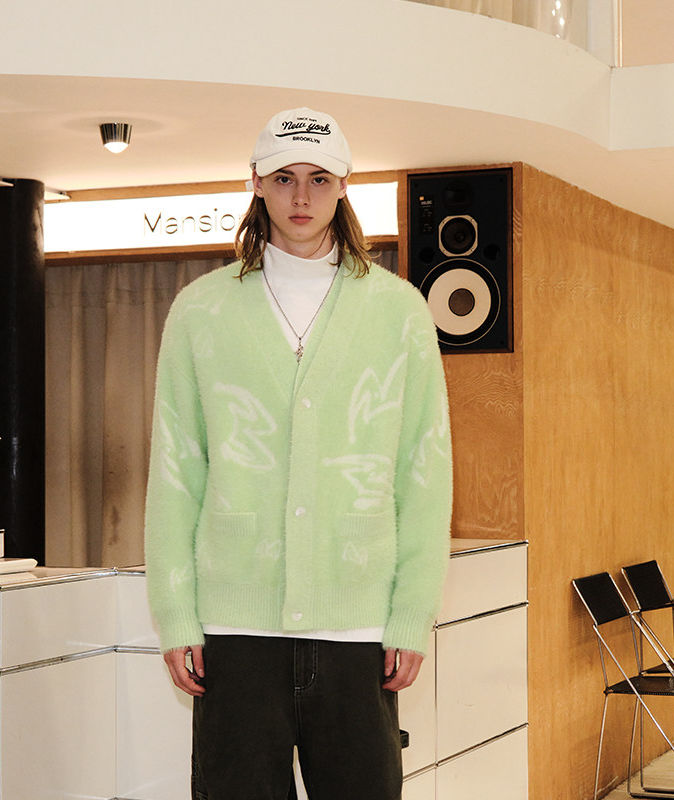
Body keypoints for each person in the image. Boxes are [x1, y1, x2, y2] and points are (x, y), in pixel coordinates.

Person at [144, 107, 453, 800]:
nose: (302, 197)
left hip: (359, 627)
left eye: (319, 178)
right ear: (256, 182)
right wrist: (176, 613)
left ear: (344, 186)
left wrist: (412, 613)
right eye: (284, 178)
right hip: (233, 629)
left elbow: (424, 471)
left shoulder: (399, 310)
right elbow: (176, 470)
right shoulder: (201, 310)